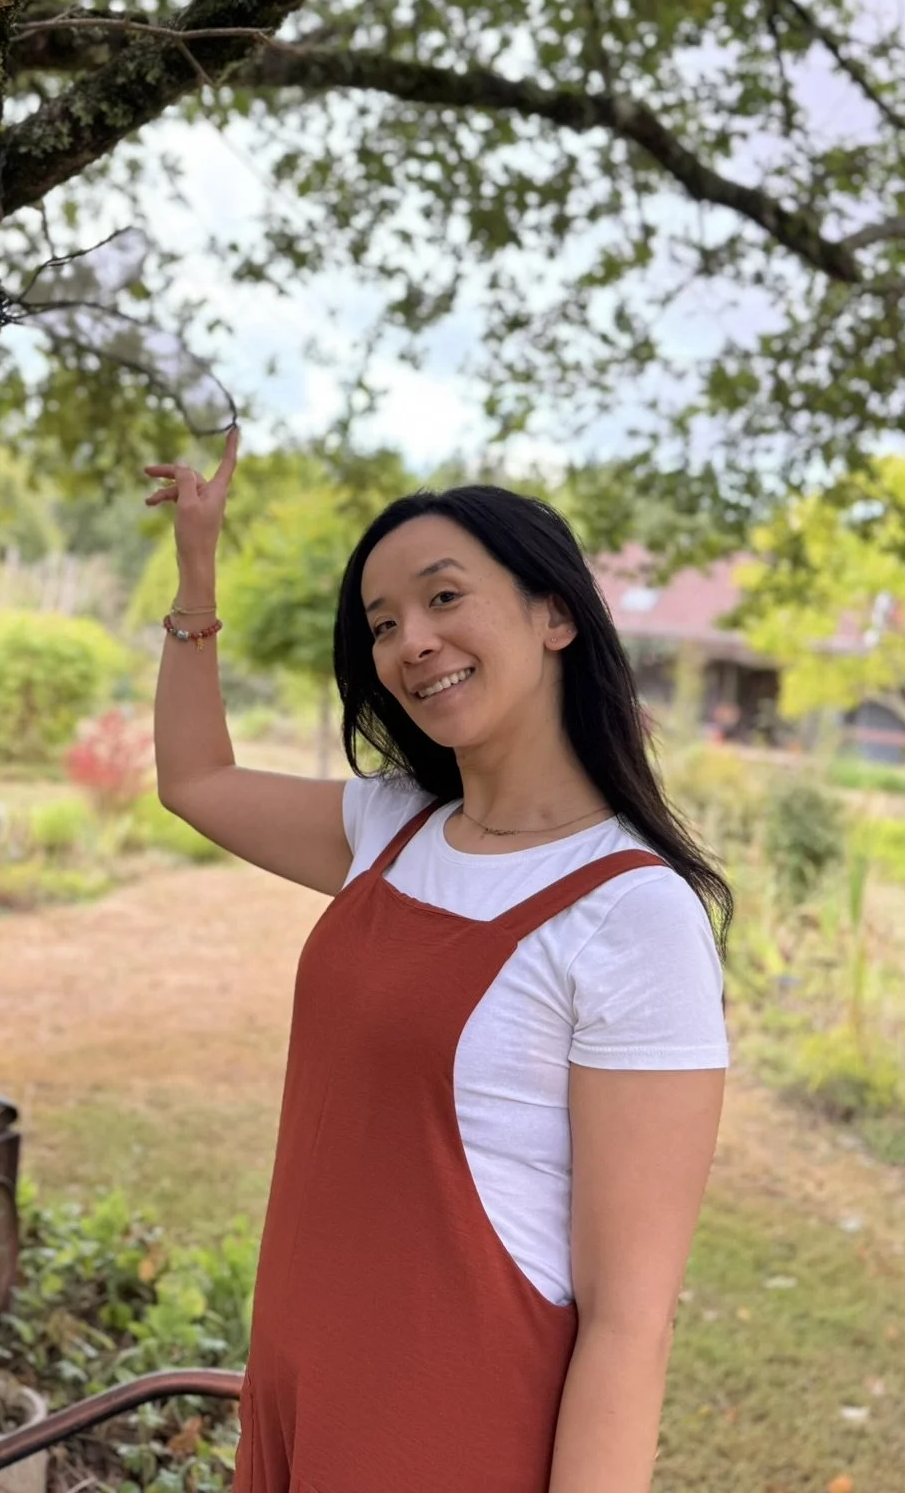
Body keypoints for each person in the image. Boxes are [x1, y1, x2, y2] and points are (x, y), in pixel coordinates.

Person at [145, 429, 731, 1493]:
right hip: (300, 1398)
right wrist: (197, 568)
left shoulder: (634, 913)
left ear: (554, 614)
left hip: (442, 1432)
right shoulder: (395, 827)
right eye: (382, 623)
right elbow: (195, 780)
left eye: (444, 597)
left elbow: (629, 1322)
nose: (411, 641)